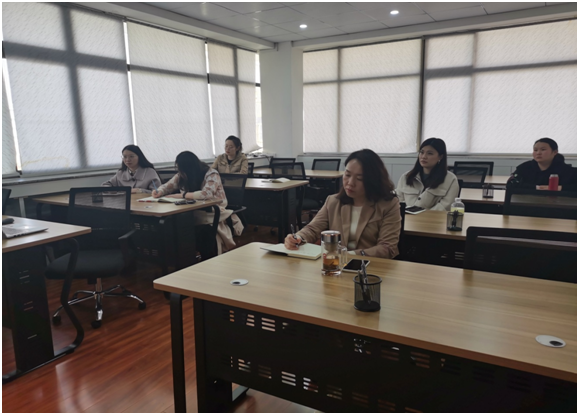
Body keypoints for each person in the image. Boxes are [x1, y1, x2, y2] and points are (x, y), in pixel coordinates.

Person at [284, 149, 401, 259]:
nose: (350, 183)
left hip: (370, 267)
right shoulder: (333, 201)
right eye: (347, 175)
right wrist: (298, 237)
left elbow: (387, 248)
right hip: (335, 265)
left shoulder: (388, 205)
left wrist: (348, 255)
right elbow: (312, 229)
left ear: (373, 181)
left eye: (359, 179)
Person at [152, 151, 240, 255]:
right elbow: (167, 186)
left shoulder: (211, 174)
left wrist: (183, 195)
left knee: (184, 225)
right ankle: (182, 256)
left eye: (183, 169)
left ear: (190, 168)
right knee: (174, 225)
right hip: (191, 210)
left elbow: (206, 194)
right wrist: (159, 191)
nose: (181, 172)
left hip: (211, 210)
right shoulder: (182, 175)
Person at [396, 138, 459, 211]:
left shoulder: (450, 179)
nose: (424, 156)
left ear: (440, 157)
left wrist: (424, 215)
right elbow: (399, 201)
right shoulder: (406, 177)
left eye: (430, 153)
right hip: (407, 217)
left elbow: (445, 206)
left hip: (434, 217)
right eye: (421, 152)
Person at [508, 138, 577, 191]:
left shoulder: (569, 171)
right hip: (528, 202)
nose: (538, 153)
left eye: (543, 149)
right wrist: (538, 188)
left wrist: (559, 188)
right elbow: (511, 184)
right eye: (535, 150)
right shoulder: (524, 167)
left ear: (555, 152)